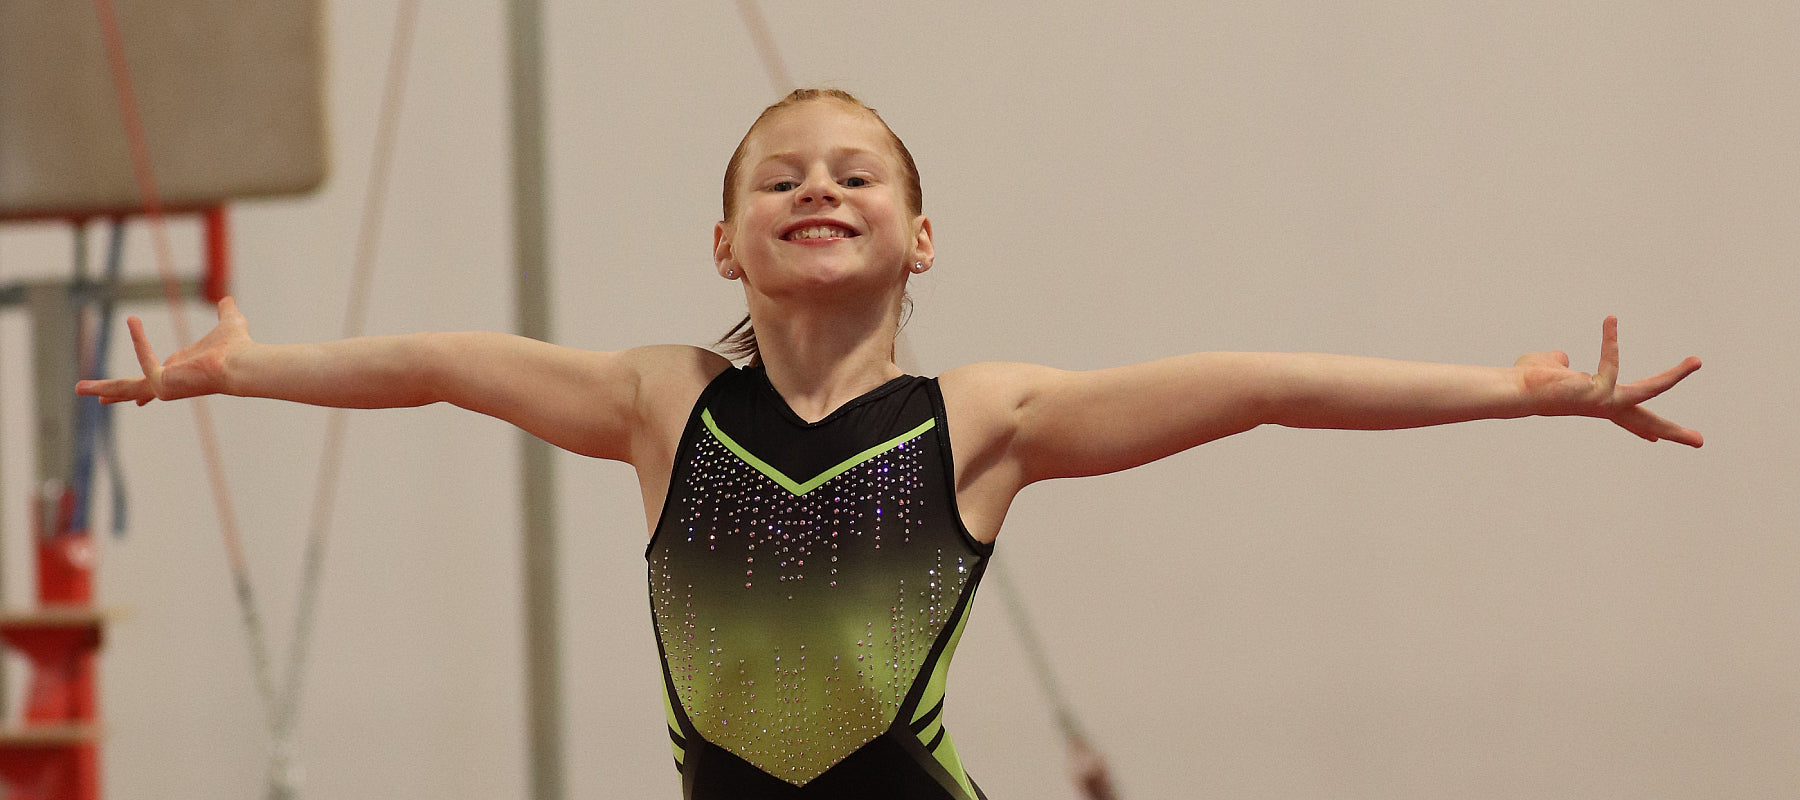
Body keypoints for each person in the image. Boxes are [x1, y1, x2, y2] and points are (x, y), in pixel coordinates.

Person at [78, 88, 1702, 800]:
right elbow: (442, 364)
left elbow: (1261, 384)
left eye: (858, 174)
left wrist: (1512, 388)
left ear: (924, 236)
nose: (818, 191)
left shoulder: (985, 422)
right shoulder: (665, 405)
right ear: (725, 242)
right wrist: (252, 361)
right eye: (779, 176)